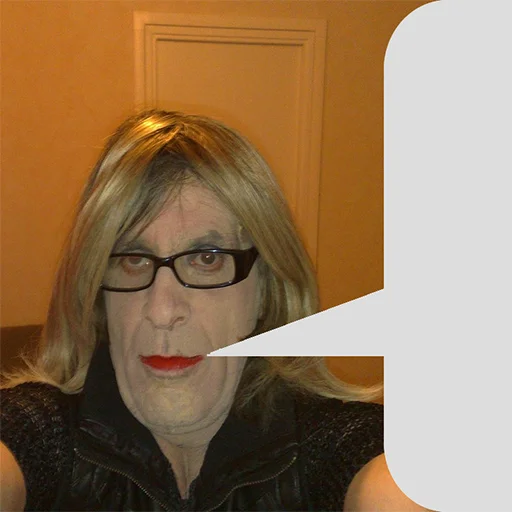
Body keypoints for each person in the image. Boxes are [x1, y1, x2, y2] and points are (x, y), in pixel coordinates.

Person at [0, 110, 428, 511]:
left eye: (207, 258)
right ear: (96, 292)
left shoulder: (334, 444)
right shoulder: (42, 433)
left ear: (267, 289)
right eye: (131, 259)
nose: (163, 311)